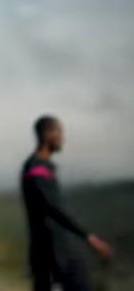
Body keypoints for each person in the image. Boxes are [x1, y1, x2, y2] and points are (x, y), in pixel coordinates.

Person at [21, 115, 113, 291]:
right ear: (48, 134)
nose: (63, 138)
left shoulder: (47, 167)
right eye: (59, 132)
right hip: (50, 253)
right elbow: (51, 208)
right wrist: (89, 237)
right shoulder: (35, 168)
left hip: (60, 250)